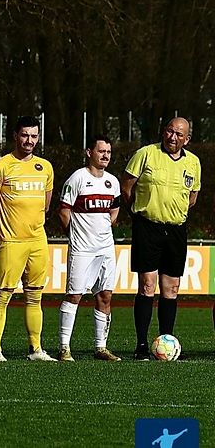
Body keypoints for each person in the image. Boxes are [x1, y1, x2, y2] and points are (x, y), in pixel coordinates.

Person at [121, 117, 200, 361]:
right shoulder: (145, 154)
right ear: (162, 132)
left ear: (186, 139)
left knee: (171, 288)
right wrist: (138, 213)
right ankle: (142, 345)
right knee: (147, 285)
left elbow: (193, 197)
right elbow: (127, 187)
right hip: (148, 227)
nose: (172, 137)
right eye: (169, 131)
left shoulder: (194, 163)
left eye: (179, 134)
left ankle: (167, 340)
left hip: (176, 230)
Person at [0, 116, 56, 362]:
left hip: (37, 240)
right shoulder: (0, 166)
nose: (29, 140)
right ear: (15, 136)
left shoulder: (45, 167)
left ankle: (35, 349)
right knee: (3, 295)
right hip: (11, 241)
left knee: (35, 296)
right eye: (25, 135)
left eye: (34, 136)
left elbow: (46, 205)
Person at [56, 135, 122, 362]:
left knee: (105, 295)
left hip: (105, 247)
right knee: (74, 294)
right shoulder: (77, 178)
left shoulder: (112, 181)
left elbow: (115, 209)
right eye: (101, 151)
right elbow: (64, 211)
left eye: (109, 152)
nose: (105, 155)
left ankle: (100, 347)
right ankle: (64, 347)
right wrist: (75, 234)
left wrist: (106, 226)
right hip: (82, 248)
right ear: (89, 153)